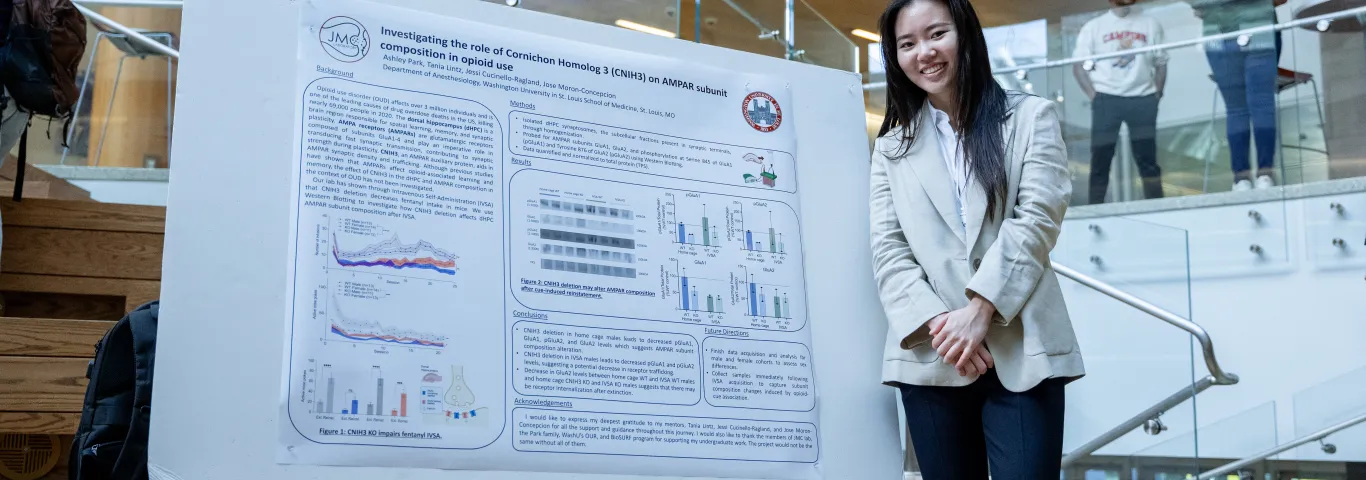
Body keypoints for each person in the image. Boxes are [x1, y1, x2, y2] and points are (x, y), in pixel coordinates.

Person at [869, 0, 1085, 478]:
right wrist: (945, 328)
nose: (924, 52)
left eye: (936, 34)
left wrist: (980, 309)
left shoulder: (1031, 117)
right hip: (932, 353)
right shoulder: (890, 148)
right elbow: (889, 251)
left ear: (965, 35)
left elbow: (1038, 219)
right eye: (907, 44)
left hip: (1022, 345)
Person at [1073, 0, 1169, 204]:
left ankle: (1158, 206)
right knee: (1101, 157)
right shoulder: (1094, 27)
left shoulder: (1150, 24)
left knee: (1147, 158)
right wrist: (1094, 95)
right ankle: (1095, 209)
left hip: (1142, 97)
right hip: (1107, 97)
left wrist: (1156, 94)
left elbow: (1161, 63)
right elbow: (1078, 65)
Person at [1189, 0, 1282, 191]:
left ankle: (1249, 177)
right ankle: (1253, 176)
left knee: (1247, 106)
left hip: (1240, 28)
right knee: (1248, 106)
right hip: (1234, 29)